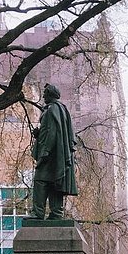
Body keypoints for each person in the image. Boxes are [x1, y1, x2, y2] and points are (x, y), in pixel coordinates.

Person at [30, 83, 78, 219]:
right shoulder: (60, 109)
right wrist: (39, 134)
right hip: (57, 155)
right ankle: (56, 213)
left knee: (40, 181)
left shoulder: (52, 109)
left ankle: (37, 213)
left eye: (45, 93)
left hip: (50, 154)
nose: (43, 96)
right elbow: (52, 131)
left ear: (50, 94)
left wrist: (45, 152)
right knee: (55, 180)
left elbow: (52, 132)